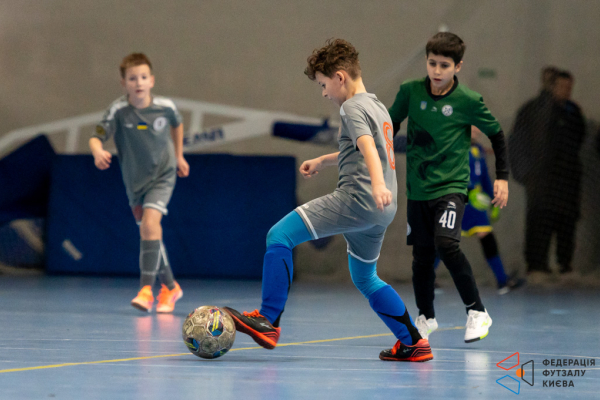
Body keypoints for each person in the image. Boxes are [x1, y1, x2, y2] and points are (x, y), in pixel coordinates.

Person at [224, 39, 433, 362]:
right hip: (382, 210)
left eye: (323, 85)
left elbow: (367, 146)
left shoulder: (351, 107)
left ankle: (268, 320)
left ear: (340, 77)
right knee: (365, 278)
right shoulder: (377, 106)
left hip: (357, 199)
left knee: (279, 235)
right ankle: (414, 343)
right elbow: (367, 148)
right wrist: (323, 160)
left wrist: (377, 184)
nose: (323, 93)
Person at [388, 32, 509, 342]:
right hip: (418, 189)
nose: (437, 71)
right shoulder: (411, 92)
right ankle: (426, 317)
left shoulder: (468, 100)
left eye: (444, 65)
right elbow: (390, 125)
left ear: (458, 67)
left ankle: (478, 312)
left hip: (452, 187)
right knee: (422, 257)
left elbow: (497, 135)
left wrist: (501, 178)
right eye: (432, 63)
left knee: (447, 244)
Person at [89, 53, 189, 313]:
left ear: (152, 80)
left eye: (143, 77)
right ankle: (171, 287)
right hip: (134, 181)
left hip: (163, 175)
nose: (139, 82)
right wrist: (98, 151)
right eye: (132, 78)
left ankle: (146, 290)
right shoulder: (118, 110)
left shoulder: (166, 107)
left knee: (150, 224)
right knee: (149, 232)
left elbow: (177, 125)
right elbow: (96, 136)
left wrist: (179, 155)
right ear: (124, 83)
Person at [511, 70, 585, 278]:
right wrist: (525, 173)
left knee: (566, 224)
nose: (566, 91)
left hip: (567, 179)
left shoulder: (572, 112)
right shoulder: (533, 110)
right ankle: (537, 266)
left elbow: (579, 138)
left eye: (569, 87)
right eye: (562, 86)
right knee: (540, 222)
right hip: (541, 180)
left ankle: (565, 265)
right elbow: (518, 142)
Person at [433, 128, 523, 295]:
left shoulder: (478, 149)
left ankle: (502, 280)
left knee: (480, 237)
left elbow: (483, 177)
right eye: (472, 126)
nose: (477, 130)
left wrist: (493, 199)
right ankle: (502, 280)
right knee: (448, 239)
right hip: (459, 199)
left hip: (474, 203)